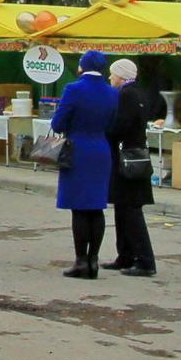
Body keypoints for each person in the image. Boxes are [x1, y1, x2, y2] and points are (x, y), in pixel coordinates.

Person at [50, 50, 118, 277]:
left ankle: (80, 260)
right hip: (101, 150)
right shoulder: (111, 92)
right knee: (96, 206)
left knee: (79, 207)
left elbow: (58, 124)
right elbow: (111, 123)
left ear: (82, 65)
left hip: (77, 150)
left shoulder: (74, 89)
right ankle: (94, 260)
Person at [104, 59, 160, 277]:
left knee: (130, 210)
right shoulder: (140, 93)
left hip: (127, 158)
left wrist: (106, 130)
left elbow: (122, 125)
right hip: (135, 157)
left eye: (112, 75)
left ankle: (145, 260)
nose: (110, 79)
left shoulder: (126, 95)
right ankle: (125, 255)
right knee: (123, 208)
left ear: (121, 76)